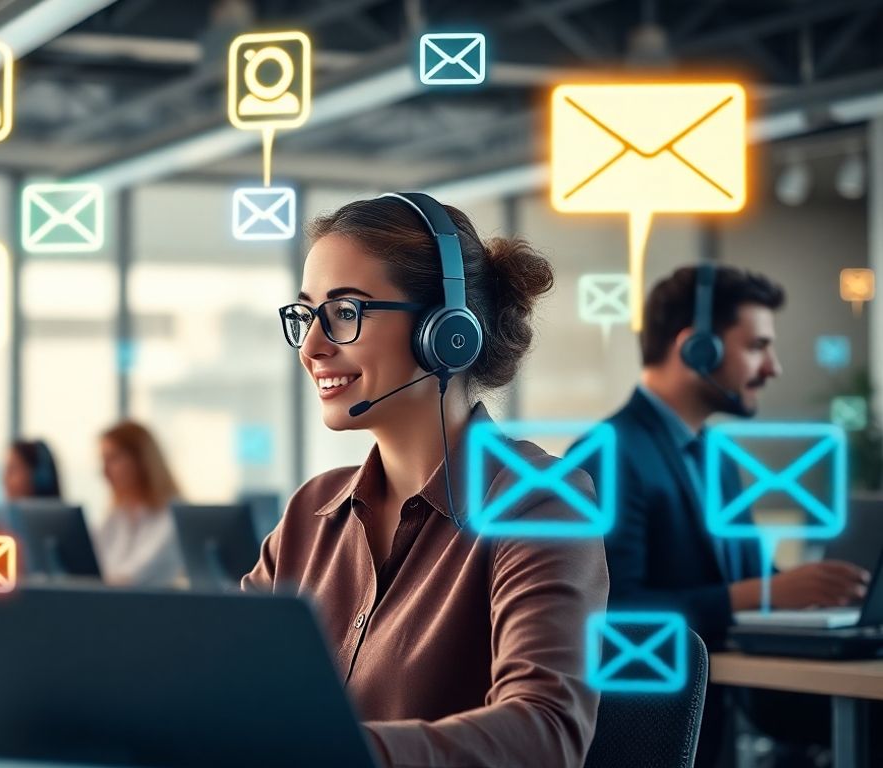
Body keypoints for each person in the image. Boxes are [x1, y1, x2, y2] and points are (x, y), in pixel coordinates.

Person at [243, 193, 607, 768]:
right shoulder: (310, 515)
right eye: (306, 315)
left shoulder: (539, 503)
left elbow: (546, 734)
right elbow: (231, 692)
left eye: (345, 313)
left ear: (446, 332)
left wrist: (329, 750)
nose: (312, 347)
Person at [575, 264, 870, 767]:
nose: (773, 367)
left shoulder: (716, 456)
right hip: (651, 736)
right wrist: (763, 594)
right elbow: (614, 614)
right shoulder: (611, 453)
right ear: (697, 348)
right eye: (757, 346)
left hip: (725, 726)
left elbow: (750, 577)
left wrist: (813, 595)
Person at [94, 421, 184, 587]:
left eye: (113, 459)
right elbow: (89, 566)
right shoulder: (118, 514)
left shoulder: (172, 517)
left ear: (141, 461)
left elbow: (132, 578)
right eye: (103, 460)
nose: (104, 471)